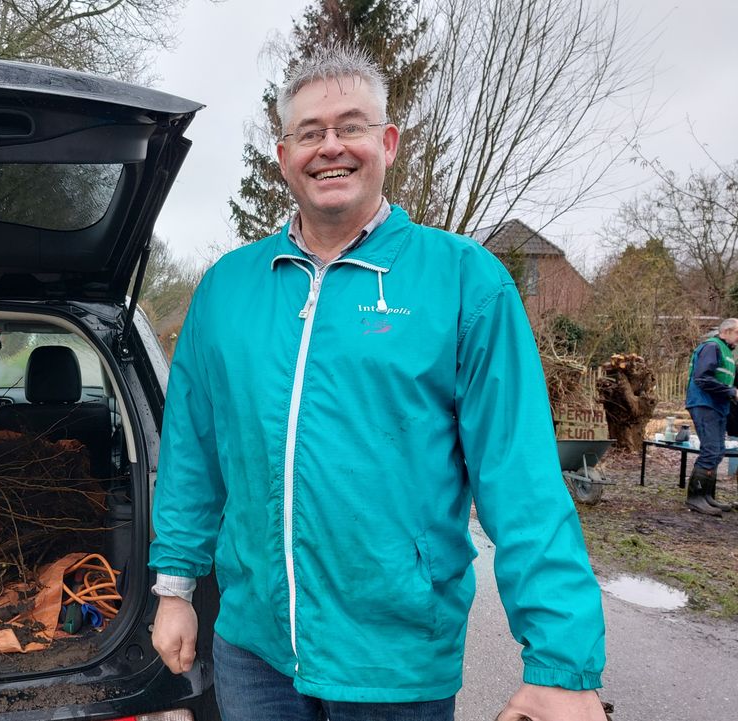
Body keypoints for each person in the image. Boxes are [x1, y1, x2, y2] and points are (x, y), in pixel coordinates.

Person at [148, 44, 606, 721]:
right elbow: (192, 451)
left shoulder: (464, 283)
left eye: (350, 126)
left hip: (397, 663)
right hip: (254, 654)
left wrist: (562, 664)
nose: (330, 147)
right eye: (309, 132)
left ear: (388, 142)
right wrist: (175, 588)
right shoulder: (226, 290)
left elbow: (522, 480)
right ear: (284, 156)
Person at [683, 318, 738, 516]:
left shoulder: (727, 352)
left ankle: (707, 496)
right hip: (704, 403)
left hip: (717, 406)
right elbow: (702, 378)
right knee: (711, 450)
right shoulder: (712, 347)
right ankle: (695, 498)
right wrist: (731, 392)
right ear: (726, 331)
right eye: (737, 334)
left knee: (717, 451)